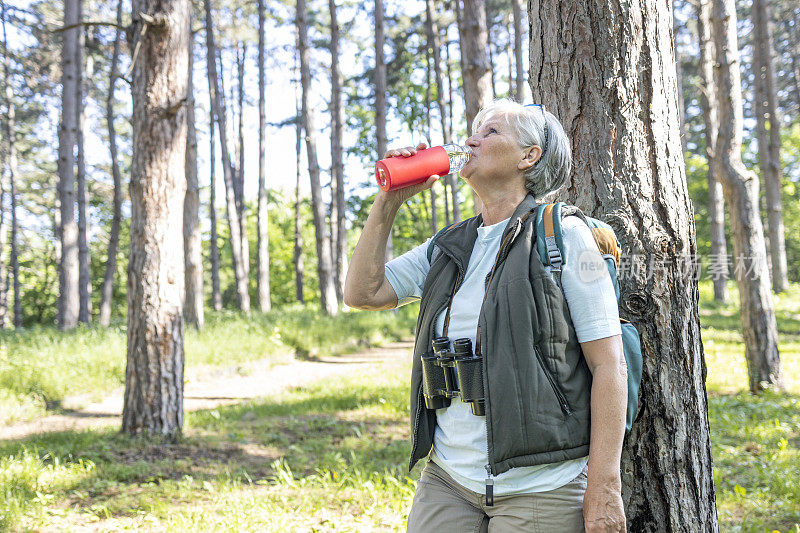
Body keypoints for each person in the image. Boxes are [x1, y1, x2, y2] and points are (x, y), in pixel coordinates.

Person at [344, 99, 627, 533]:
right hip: (448, 480)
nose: (471, 138)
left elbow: (609, 366)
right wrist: (388, 203)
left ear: (528, 157)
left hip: (541, 486)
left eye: (491, 132)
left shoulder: (565, 236)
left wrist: (604, 486)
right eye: (474, 129)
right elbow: (363, 292)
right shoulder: (449, 245)